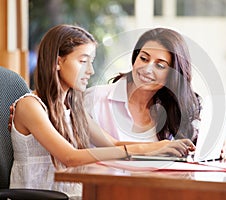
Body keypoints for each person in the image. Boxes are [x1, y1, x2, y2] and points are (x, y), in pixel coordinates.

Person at [9, 24, 195, 199]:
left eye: (92, 62)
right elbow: (70, 157)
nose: (90, 70)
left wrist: (160, 147)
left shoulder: (72, 108)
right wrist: (149, 148)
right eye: (83, 61)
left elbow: (111, 144)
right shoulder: (30, 106)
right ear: (57, 62)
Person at [84, 28, 202, 145]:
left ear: (173, 74)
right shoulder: (94, 99)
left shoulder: (172, 111)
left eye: (160, 66)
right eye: (144, 59)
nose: (147, 69)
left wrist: (212, 150)